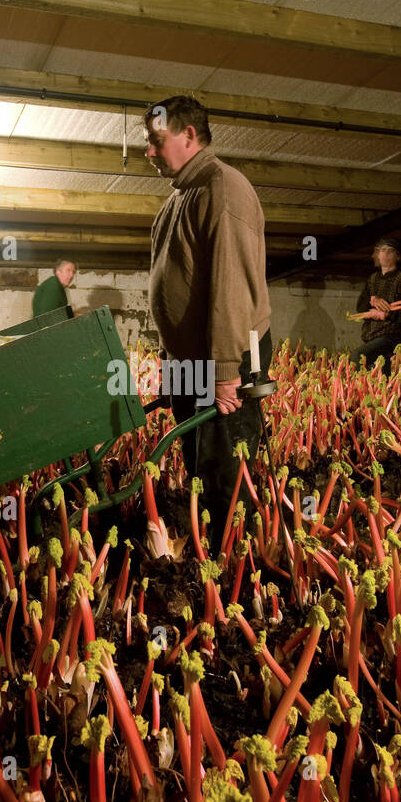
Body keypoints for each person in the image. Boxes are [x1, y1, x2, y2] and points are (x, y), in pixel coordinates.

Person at [144, 95, 271, 533]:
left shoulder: (222, 187)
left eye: (156, 141)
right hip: (190, 359)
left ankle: (236, 551)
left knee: (223, 460)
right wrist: (171, 363)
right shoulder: (179, 198)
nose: (149, 152)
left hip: (226, 355)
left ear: (189, 135)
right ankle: (214, 538)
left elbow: (231, 286)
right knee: (198, 454)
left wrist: (224, 372)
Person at [351, 238, 401, 372]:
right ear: (377, 254)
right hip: (370, 336)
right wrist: (372, 301)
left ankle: (358, 385)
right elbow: (360, 308)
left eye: (391, 251)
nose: (386, 254)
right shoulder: (372, 279)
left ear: (398, 256)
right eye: (382, 250)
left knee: (358, 357)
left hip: (390, 337)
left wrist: (388, 314)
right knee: (379, 370)